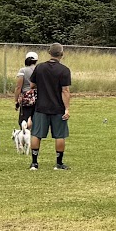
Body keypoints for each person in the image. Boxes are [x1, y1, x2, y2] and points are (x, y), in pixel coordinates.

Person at [27, 42, 73, 170]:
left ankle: (34, 163)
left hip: (41, 107)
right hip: (58, 108)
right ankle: (59, 163)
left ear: (49, 53)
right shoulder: (64, 70)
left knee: (36, 134)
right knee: (59, 135)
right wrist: (67, 108)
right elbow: (65, 91)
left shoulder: (40, 67)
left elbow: (32, 85)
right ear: (62, 54)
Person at [15, 50, 39, 138]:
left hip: (26, 98)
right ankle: (34, 136)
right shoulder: (39, 69)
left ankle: (23, 135)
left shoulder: (23, 70)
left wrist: (16, 100)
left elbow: (18, 87)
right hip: (37, 97)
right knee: (35, 117)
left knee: (24, 118)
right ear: (36, 60)